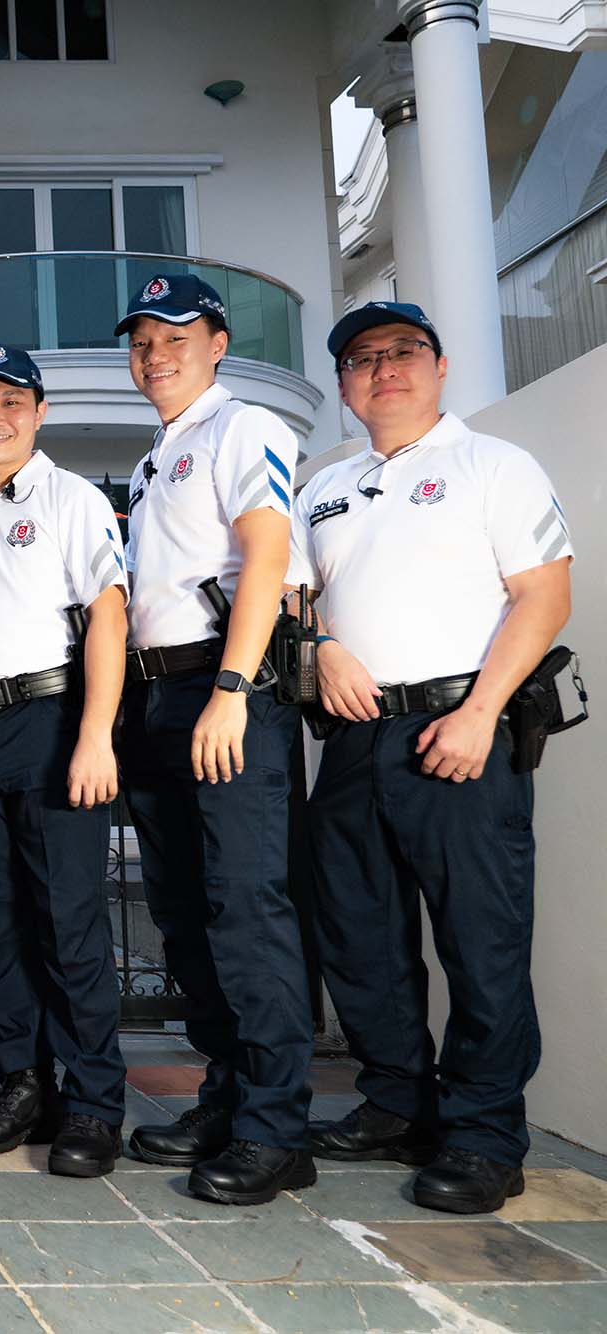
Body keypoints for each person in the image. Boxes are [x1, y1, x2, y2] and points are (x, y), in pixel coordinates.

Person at [295, 302, 574, 1214]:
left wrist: (481, 714)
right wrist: (320, 647)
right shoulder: (324, 487)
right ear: (344, 385)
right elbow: (296, 598)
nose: (384, 368)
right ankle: (397, 1106)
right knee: (359, 937)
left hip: (460, 728)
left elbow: (544, 596)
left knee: (482, 941)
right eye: (362, 358)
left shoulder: (493, 465)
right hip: (355, 735)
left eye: (403, 350)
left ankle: (486, 1135)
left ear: (440, 365)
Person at [117, 273, 316, 1205]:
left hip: (224, 685)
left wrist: (233, 689)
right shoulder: (156, 458)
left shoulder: (244, 427)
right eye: (144, 343)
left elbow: (267, 554)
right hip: (160, 698)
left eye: (177, 338)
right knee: (185, 910)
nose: (156, 356)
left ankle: (277, 1129)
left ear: (219, 344)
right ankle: (229, 1096)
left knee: (245, 906)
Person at [0, 346, 129, 1178]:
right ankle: (25, 1085)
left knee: (68, 919)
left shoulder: (72, 499)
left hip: (49, 721)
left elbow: (109, 616)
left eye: (12, 401)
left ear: (40, 412)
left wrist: (95, 735)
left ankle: (93, 1103)